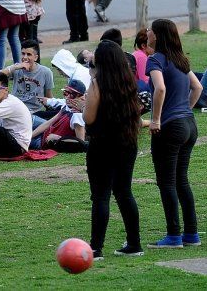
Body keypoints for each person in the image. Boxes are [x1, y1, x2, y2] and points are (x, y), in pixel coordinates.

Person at [82, 40, 143, 260]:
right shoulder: (127, 81)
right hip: (126, 144)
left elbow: (88, 117)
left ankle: (96, 248)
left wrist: (86, 98)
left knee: (101, 196)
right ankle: (134, 243)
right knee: (124, 192)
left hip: (102, 145)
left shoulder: (97, 83)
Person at [145, 19, 203, 248]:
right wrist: (185, 109)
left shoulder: (155, 59)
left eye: (150, 29)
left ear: (157, 36)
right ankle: (192, 235)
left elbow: (160, 88)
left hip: (170, 127)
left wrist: (156, 119)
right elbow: (197, 87)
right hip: (189, 125)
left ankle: (173, 236)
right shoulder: (181, 60)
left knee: (167, 182)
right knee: (181, 181)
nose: (147, 32)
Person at [0, 39, 54, 114]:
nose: (25, 57)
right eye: (23, 53)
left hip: (34, 112)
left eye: (29, 54)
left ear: (36, 57)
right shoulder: (16, 68)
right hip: (15, 109)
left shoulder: (46, 72)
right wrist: (14, 68)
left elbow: (48, 96)